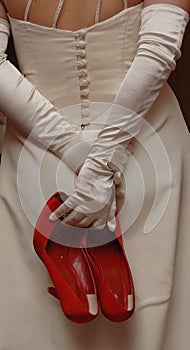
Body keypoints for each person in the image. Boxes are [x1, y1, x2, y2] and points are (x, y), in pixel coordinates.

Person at [0, 0, 190, 349]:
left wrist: (80, 155)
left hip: (38, 158)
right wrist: (102, 163)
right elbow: (160, 46)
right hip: (145, 149)